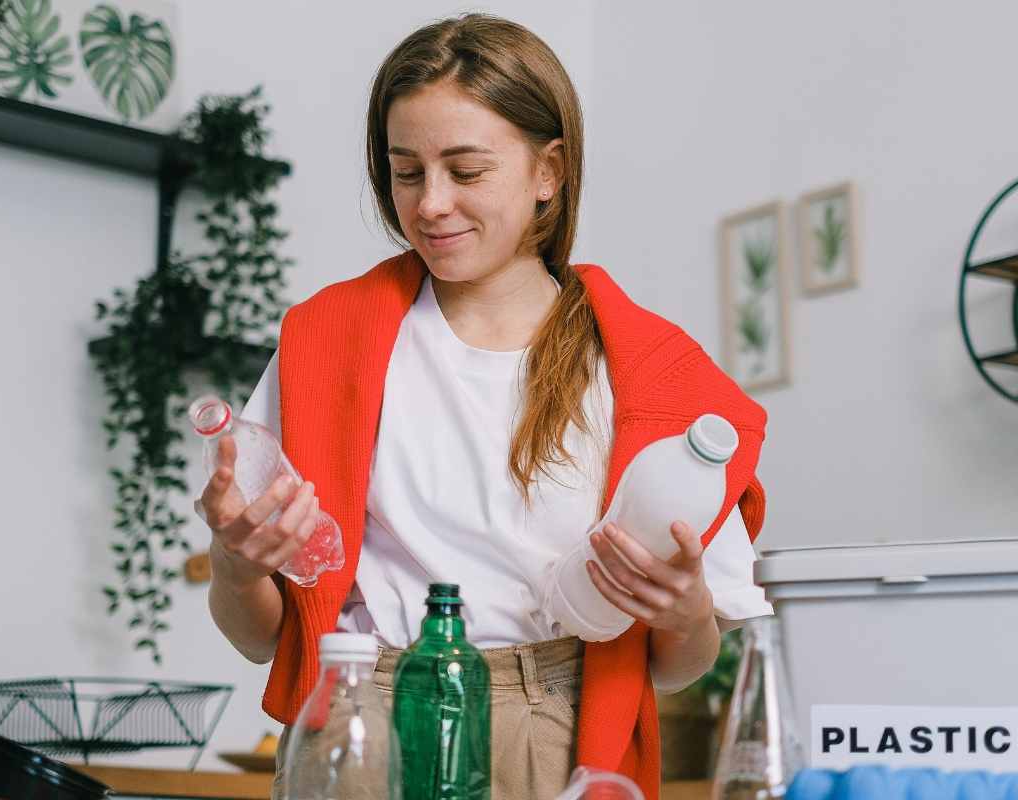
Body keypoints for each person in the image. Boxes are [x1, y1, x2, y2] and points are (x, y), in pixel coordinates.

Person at [197, 13, 773, 800]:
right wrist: (237, 563)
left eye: (466, 171)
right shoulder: (321, 345)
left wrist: (683, 609)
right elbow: (262, 638)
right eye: (407, 172)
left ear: (549, 170)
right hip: (363, 723)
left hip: (558, 734)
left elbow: (678, 667)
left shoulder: (654, 377)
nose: (431, 204)